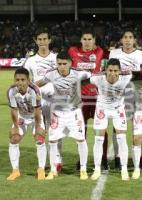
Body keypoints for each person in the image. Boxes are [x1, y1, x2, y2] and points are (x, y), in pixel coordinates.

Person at [35, 51, 91, 180]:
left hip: (74, 113)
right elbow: (39, 83)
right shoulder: (51, 74)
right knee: (53, 141)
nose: (62, 66)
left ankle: (83, 169)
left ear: (70, 63)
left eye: (64, 64)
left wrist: (83, 85)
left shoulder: (79, 73)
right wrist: (30, 88)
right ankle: (53, 170)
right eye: (59, 63)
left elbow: (92, 77)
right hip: (57, 113)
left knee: (81, 140)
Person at [68, 29, 108, 170]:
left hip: (97, 98)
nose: (87, 42)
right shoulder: (72, 51)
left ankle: (103, 160)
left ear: (94, 41)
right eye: (84, 39)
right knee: (81, 130)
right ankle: (81, 160)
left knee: (101, 130)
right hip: (80, 99)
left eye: (90, 39)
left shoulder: (100, 52)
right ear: (80, 40)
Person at [23, 27, 63, 172]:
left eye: (45, 39)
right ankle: (44, 161)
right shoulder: (30, 61)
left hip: (55, 99)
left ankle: (57, 160)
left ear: (49, 40)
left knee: (55, 129)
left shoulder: (57, 58)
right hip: (38, 100)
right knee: (40, 131)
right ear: (35, 41)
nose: (42, 42)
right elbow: (25, 80)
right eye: (39, 39)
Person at [109, 30, 142, 170]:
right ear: (121, 40)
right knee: (117, 126)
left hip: (136, 94)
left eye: (130, 37)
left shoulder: (141, 54)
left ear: (134, 40)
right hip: (119, 95)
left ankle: (140, 157)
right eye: (125, 37)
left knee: (138, 125)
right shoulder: (114, 54)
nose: (127, 40)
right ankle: (118, 158)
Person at [89, 58, 132, 181]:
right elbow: (84, 80)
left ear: (120, 71)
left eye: (115, 71)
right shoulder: (97, 78)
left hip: (118, 110)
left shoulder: (126, 78)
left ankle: (124, 169)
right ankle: (97, 168)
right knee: (98, 139)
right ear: (106, 70)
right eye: (110, 70)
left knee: (122, 138)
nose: (113, 73)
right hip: (102, 110)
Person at [7, 68, 46, 181]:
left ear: (28, 80)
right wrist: (15, 126)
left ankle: (41, 169)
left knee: (39, 138)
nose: (20, 83)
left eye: (23, 80)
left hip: (35, 117)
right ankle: (15, 170)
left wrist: (38, 127)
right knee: (14, 139)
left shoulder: (34, 90)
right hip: (22, 117)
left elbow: (37, 111)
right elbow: (14, 110)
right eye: (17, 80)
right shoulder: (11, 90)